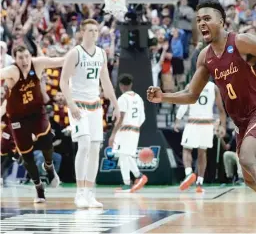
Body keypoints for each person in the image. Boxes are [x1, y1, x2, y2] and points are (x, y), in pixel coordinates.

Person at [147, 0, 256, 233]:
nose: (201, 23)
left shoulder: (242, 42)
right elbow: (191, 94)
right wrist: (164, 97)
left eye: (207, 18)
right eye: (199, 20)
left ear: (221, 21)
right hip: (243, 122)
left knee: (247, 155)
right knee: (250, 177)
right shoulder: (205, 57)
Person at [60, 19, 120, 209]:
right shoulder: (74, 53)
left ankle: (89, 193)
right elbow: (63, 81)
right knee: (84, 144)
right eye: (90, 30)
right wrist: (71, 104)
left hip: (95, 105)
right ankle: (79, 193)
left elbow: (106, 82)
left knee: (95, 148)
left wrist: (115, 104)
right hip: (78, 104)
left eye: (96, 30)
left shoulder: (101, 53)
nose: (94, 33)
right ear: (82, 32)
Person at [0, 45, 64, 202]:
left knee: (47, 139)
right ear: (15, 59)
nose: (24, 60)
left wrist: (79, 54)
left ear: (31, 55)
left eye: (27, 56)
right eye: (20, 57)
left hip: (36, 112)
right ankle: (39, 189)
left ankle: (49, 166)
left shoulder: (38, 63)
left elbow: (59, 60)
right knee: (26, 155)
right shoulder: (13, 71)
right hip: (17, 118)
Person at [173, 81, 226, 193]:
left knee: (187, 149)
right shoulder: (214, 87)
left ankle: (188, 173)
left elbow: (184, 104)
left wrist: (178, 120)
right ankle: (199, 183)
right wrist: (223, 126)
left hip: (194, 122)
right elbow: (221, 110)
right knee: (203, 153)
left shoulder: (191, 85)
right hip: (207, 124)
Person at [108, 74, 147, 192]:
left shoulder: (123, 98)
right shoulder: (139, 98)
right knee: (124, 155)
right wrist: (135, 126)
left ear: (120, 86)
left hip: (125, 129)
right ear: (131, 84)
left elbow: (121, 117)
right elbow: (143, 117)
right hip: (135, 129)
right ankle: (127, 183)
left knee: (124, 155)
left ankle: (139, 176)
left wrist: (113, 134)